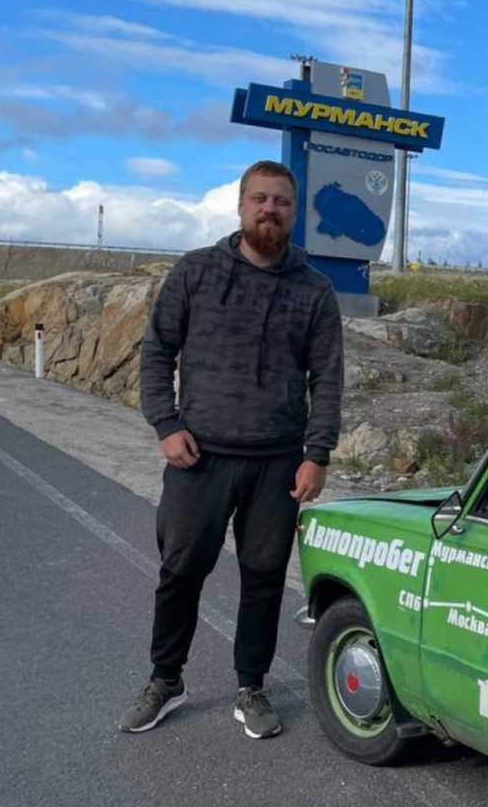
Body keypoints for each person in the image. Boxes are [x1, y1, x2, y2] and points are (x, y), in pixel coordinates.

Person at [118, 159, 343, 739]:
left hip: (277, 462)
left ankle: (252, 686)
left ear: (294, 213)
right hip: (199, 457)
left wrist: (316, 454)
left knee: (264, 576)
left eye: (282, 202)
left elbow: (329, 379)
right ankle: (166, 680)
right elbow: (156, 353)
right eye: (260, 199)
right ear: (241, 207)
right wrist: (166, 424)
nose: (270, 209)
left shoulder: (315, 291)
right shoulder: (195, 273)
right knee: (181, 570)